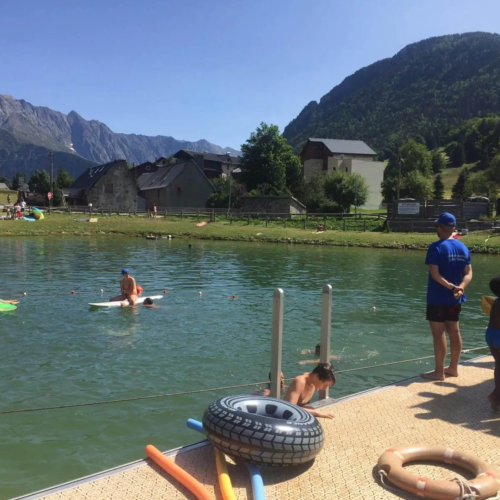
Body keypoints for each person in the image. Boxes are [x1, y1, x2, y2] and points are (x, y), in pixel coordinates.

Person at [421, 212, 473, 381]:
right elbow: (469, 273)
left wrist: (451, 287)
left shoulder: (435, 247)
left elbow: (435, 275)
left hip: (438, 298)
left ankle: (438, 372)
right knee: (454, 331)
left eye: (437, 226)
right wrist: (461, 288)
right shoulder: (462, 247)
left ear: (441, 227)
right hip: (455, 298)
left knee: (439, 334)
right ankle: (453, 368)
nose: (436, 228)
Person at [486, 276, 500, 411]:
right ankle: (495, 395)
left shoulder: (496, 301)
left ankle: (496, 402)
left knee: (498, 366)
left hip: (490, 335)